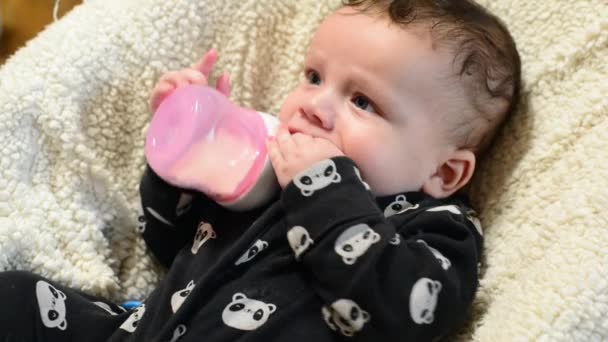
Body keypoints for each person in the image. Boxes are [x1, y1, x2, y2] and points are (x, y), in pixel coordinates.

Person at [0, 0, 520, 340]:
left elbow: (407, 312)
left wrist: (326, 190)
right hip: (140, 333)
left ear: (445, 173)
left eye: (363, 102)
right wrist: (186, 157)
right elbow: (167, 244)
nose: (315, 105)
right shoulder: (267, 168)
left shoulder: (433, 225)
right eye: (314, 76)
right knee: (18, 297)